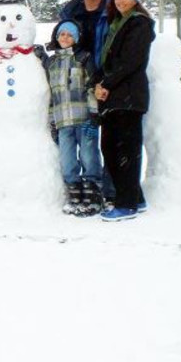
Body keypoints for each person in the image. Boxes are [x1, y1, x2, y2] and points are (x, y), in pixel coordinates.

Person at [93, 0, 155, 222]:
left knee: (123, 150)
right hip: (116, 96)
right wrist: (98, 83)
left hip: (128, 96)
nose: (121, 0)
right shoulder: (118, 23)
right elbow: (108, 62)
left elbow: (130, 61)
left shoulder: (139, 24)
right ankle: (135, 198)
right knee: (112, 148)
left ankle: (126, 204)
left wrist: (106, 84)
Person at [58, 0, 115, 203]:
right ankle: (80, 187)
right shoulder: (71, 10)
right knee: (84, 138)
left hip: (109, 72)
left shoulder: (113, 6)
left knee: (110, 137)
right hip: (81, 73)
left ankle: (108, 190)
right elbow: (64, 36)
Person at [44, 20, 103, 217]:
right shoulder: (51, 63)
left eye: (70, 35)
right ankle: (74, 195)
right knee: (67, 160)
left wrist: (94, 115)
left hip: (83, 117)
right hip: (63, 121)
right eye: (62, 34)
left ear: (76, 38)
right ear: (56, 36)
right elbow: (50, 94)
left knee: (88, 156)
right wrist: (52, 120)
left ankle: (92, 195)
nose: (65, 38)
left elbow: (92, 86)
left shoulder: (83, 58)